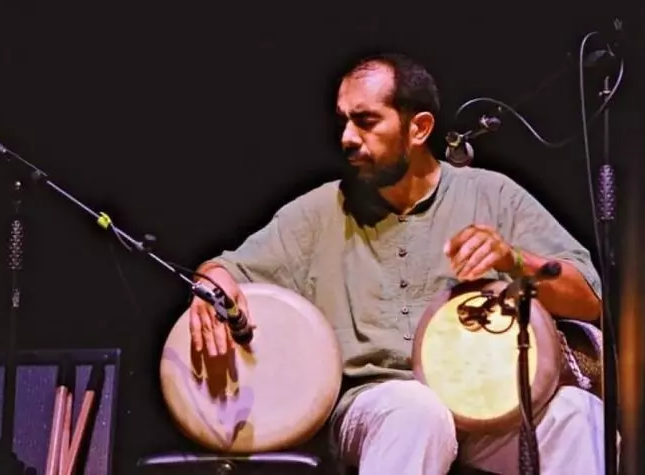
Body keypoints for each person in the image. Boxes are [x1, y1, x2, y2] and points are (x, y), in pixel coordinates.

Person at [188, 52, 606, 474]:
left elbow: (588, 300)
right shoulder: (318, 213)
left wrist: (513, 259)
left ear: (419, 128)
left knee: (577, 413)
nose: (348, 137)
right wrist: (211, 287)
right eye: (343, 121)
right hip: (377, 407)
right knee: (418, 411)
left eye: (366, 121)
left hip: (488, 407)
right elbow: (225, 269)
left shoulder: (492, 196)